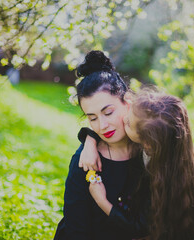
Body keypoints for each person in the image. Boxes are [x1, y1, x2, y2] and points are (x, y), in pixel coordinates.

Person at [80, 89, 194, 240]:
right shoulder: (163, 131)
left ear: (147, 144)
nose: (124, 118)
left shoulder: (164, 177)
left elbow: (138, 227)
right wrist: (90, 141)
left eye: (129, 123)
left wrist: (102, 200)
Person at [53, 50, 148, 240]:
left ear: (128, 102)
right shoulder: (85, 161)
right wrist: (90, 139)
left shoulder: (148, 152)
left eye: (108, 112)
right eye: (93, 118)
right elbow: (76, 228)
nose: (102, 126)